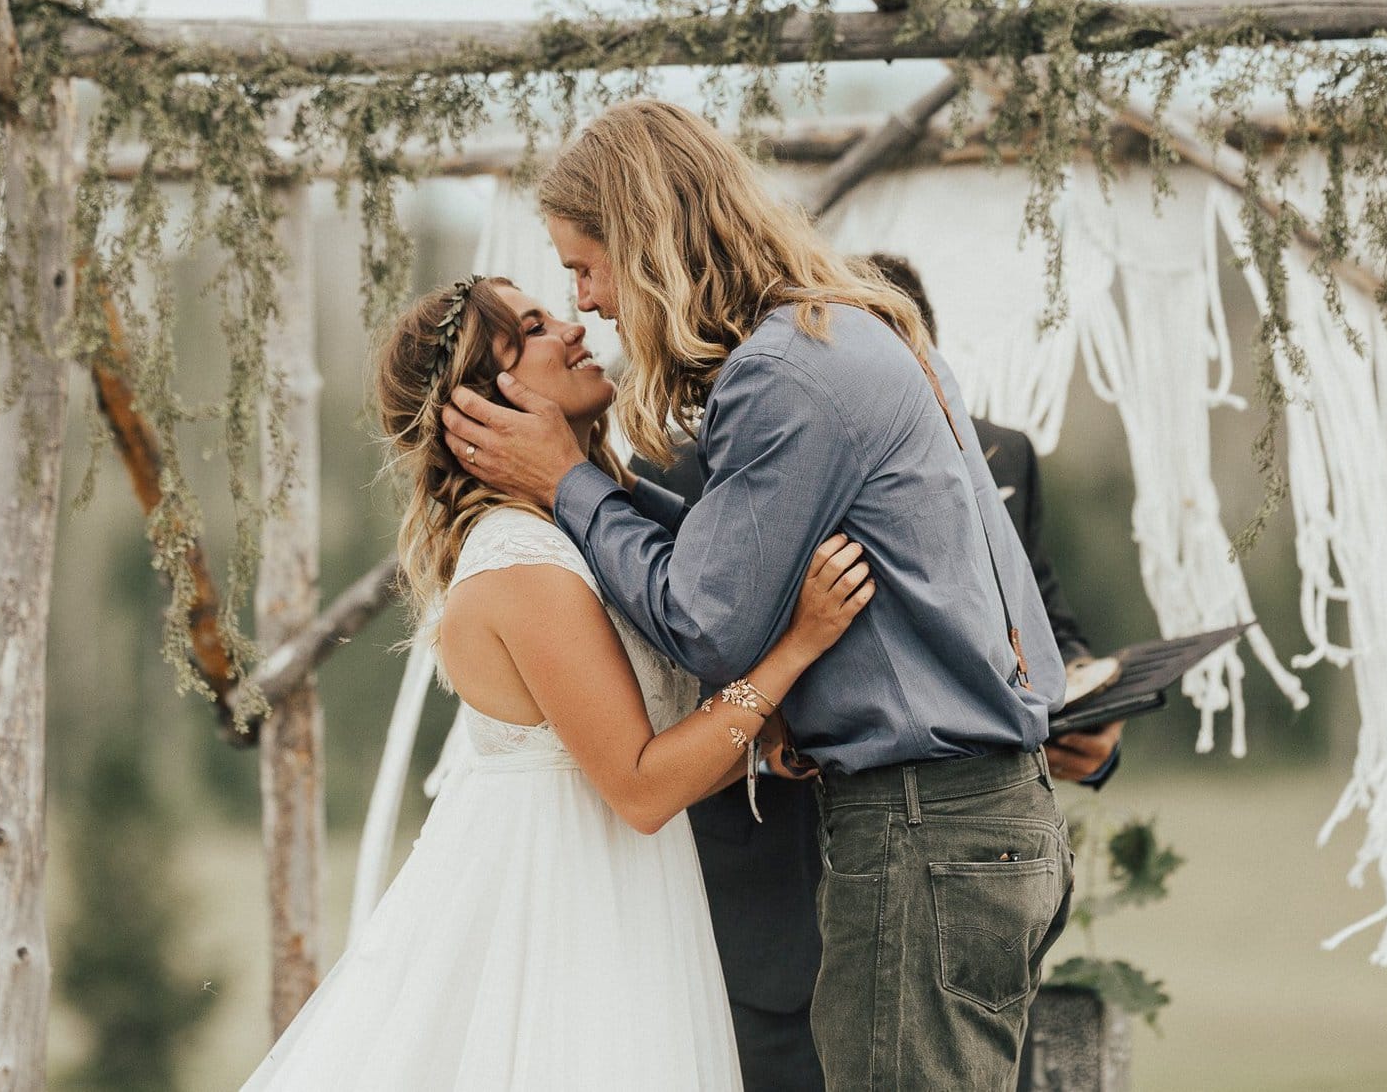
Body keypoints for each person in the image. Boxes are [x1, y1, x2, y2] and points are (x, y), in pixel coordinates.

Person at [441, 100, 1078, 1090]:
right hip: (966, 824)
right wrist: (590, 481)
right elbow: (731, 552)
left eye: (584, 264)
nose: (589, 302)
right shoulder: (845, 328)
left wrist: (565, 479)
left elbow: (704, 621)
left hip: (923, 836)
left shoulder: (778, 375)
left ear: (644, 243)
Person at [239, 275, 874, 1091]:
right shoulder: (520, 563)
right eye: (535, 327)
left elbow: (640, 748)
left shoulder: (574, 531)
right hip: (561, 917)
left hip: (622, 897)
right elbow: (641, 788)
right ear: (483, 405)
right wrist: (797, 646)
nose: (574, 326)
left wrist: (764, 749)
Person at [636, 252, 1121, 1092]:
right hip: (778, 886)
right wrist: (769, 730)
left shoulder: (991, 451)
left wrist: (1086, 721)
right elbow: (678, 659)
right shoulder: (695, 460)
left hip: (943, 850)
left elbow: (1041, 630)